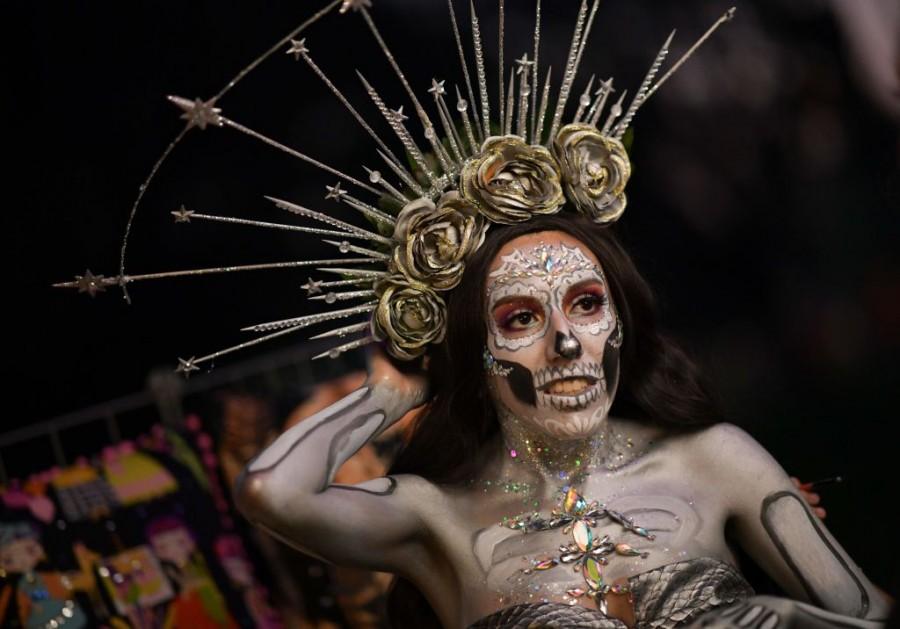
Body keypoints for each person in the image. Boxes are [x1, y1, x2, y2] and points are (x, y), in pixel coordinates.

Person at [235, 214, 891, 628]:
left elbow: (870, 613)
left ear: (618, 324)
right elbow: (273, 492)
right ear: (479, 353)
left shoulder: (714, 459)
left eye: (585, 304)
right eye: (520, 318)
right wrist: (396, 387)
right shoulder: (437, 515)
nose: (567, 342)